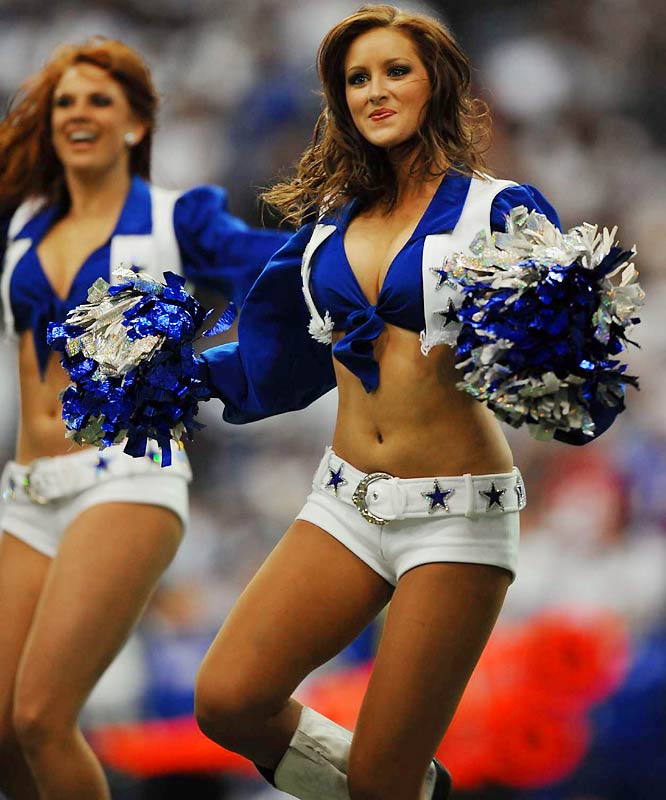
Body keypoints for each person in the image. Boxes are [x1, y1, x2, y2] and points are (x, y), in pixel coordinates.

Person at [190, 6, 623, 800]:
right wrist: (174, 374)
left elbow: (576, 374)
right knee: (227, 699)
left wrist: (556, 352)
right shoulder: (327, 226)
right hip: (343, 502)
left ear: (437, 85)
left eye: (397, 71)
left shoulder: (500, 208)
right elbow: (276, 356)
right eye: (358, 78)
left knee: (382, 780)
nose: (376, 90)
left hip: (457, 512)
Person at [0, 38, 289, 799]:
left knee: (40, 718)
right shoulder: (20, 220)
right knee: (1, 732)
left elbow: (290, 269)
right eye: (65, 101)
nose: (79, 114)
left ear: (136, 123)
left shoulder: (177, 218)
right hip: (26, 490)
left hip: (124, 478)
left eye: (100, 100)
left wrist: (211, 369)